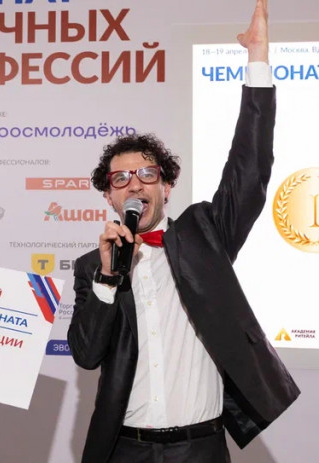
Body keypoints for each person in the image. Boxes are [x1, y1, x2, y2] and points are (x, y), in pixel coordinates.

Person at [68, 1, 300, 462]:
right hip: (125, 450)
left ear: (167, 186)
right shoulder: (93, 267)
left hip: (200, 448)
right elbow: (87, 354)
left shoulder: (204, 234)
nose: (135, 185)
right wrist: (109, 278)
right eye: (121, 179)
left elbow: (249, 169)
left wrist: (257, 59)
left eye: (147, 174)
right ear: (109, 197)